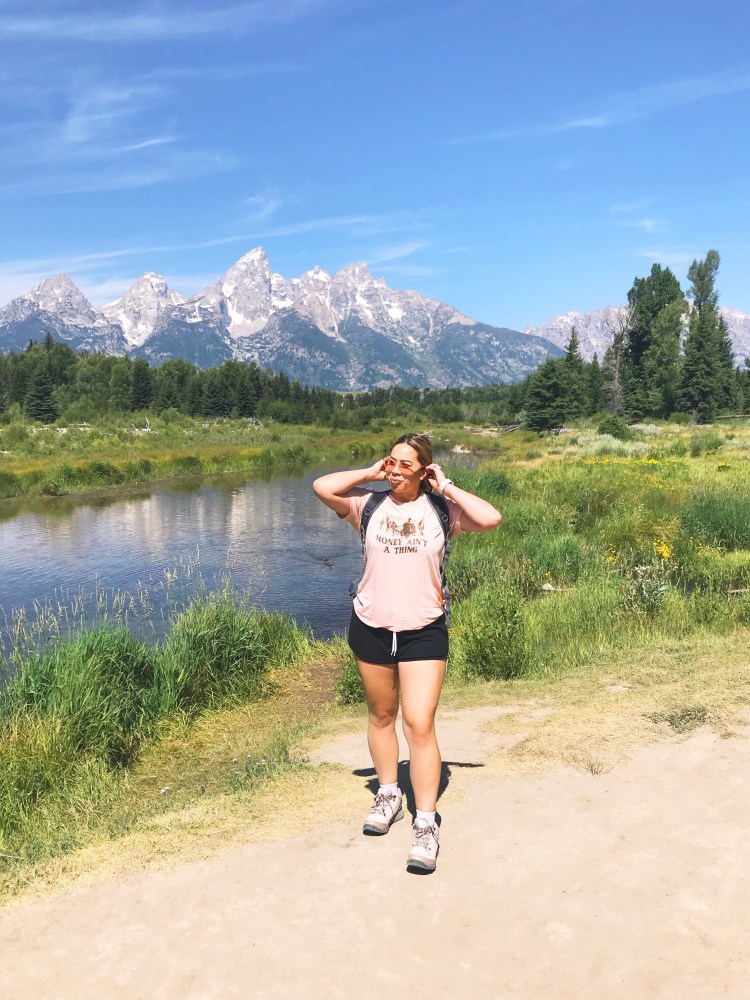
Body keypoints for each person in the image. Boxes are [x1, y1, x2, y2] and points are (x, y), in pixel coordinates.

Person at [313, 433, 502, 874]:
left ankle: (426, 822)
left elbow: (491, 518)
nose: (395, 471)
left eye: (405, 465)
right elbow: (322, 486)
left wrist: (446, 484)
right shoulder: (367, 505)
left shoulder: (442, 510)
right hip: (372, 625)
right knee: (382, 715)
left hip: (423, 630)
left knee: (418, 723)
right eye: (391, 462)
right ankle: (388, 794)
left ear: (423, 470)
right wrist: (369, 472)